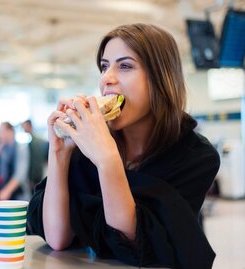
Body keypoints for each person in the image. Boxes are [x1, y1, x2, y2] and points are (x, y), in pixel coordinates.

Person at [26, 23, 220, 269]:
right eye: (104, 66)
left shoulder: (196, 157)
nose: (107, 78)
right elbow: (58, 238)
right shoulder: (87, 141)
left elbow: (136, 245)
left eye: (125, 66)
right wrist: (60, 154)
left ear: (161, 79)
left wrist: (107, 160)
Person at [0, 122, 30, 201]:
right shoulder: (4, 148)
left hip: (19, 194)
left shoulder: (21, 148)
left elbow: (20, 174)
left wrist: (7, 191)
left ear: (10, 131)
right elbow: (2, 173)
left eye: (1, 131)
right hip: (6, 193)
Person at [21, 119, 48, 192]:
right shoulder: (36, 139)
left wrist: (33, 179)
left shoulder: (34, 142)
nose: (23, 129)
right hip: (38, 176)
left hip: (36, 178)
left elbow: (36, 162)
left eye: (24, 126)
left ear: (29, 126)